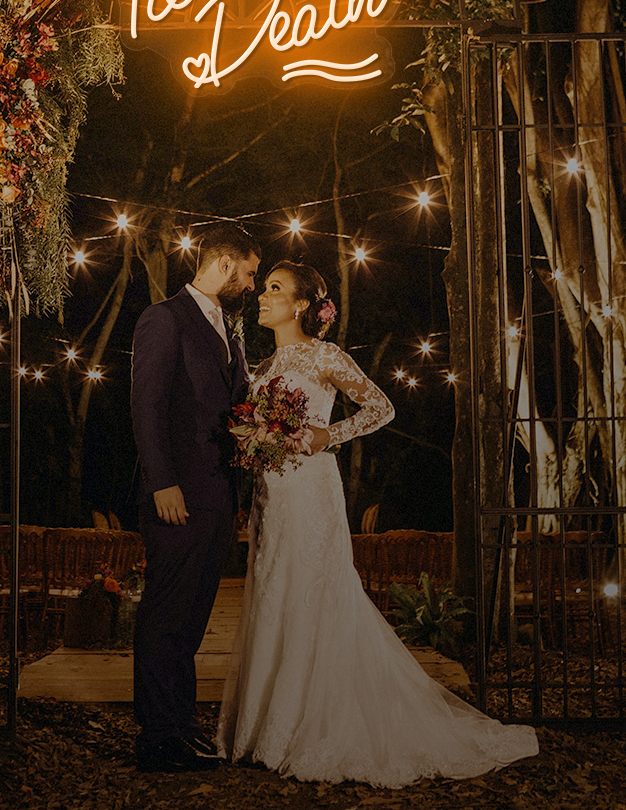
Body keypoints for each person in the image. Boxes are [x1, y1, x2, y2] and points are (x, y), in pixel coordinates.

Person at [216, 260, 539, 787]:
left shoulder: (326, 356)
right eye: (264, 288)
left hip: (311, 491)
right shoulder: (266, 365)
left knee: (312, 593)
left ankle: (316, 723)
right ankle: (266, 726)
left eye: (274, 288)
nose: (262, 296)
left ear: (301, 304)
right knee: (274, 592)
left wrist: (330, 435)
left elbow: (380, 407)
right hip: (271, 496)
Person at [130, 221, 261, 773]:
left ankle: (182, 725)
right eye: (249, 274)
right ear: (225, 264)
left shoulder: (229, 329)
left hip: (216, 496)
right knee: (165, 614)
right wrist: (162, 481)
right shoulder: (164, 318)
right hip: (176, 494)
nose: (252, 286)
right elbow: (147, 405)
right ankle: (158, 737)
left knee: (191, 620)